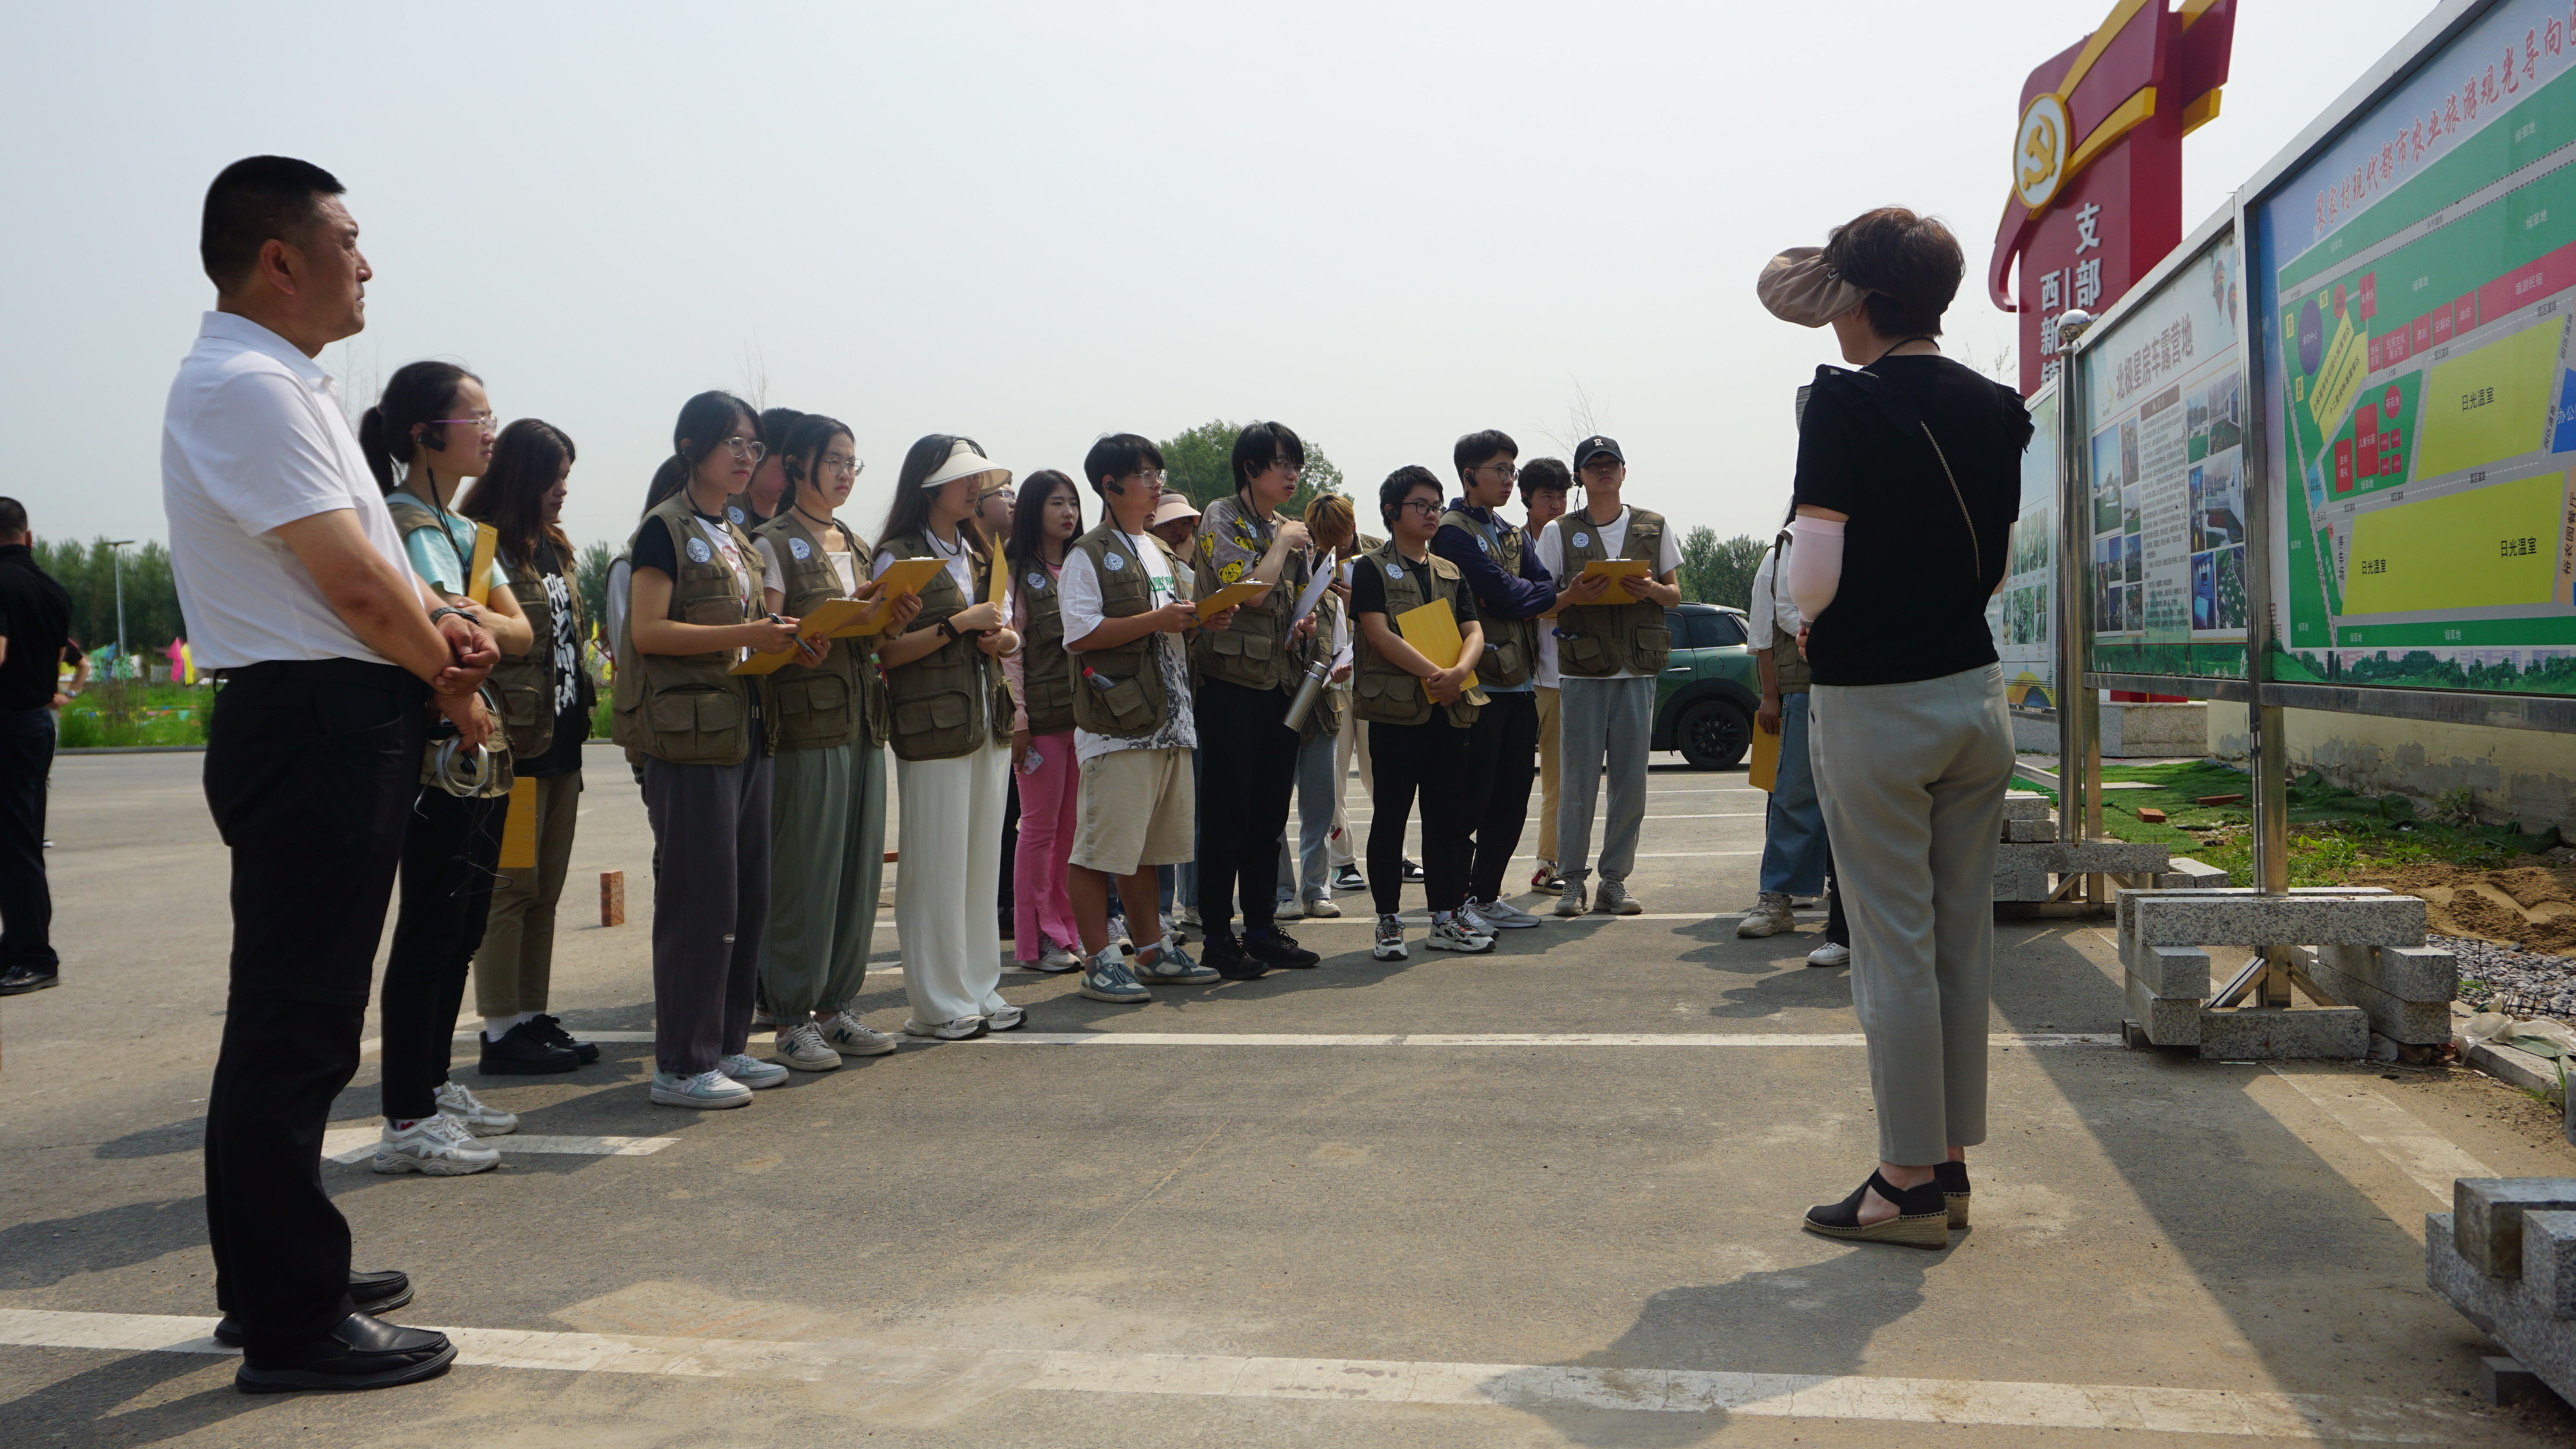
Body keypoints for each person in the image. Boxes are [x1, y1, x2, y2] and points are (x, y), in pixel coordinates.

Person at [166, 155, 494, 1391]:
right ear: (278, 260)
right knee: (296, 1025)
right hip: (314, 723)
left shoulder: (280, 384)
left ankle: (273, 1277)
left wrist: (441, 621)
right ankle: (291, 1320)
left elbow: (372, 572)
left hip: (330, 715)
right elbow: (350, 586)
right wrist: (451, 679)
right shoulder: (247, 386)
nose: (367, 265)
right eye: (347, 241)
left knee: (292, 1018)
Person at [1761, 207, 2025, 1247]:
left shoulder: (1845, 401)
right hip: (1975, 698)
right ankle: (1948, 1161)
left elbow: (1813, 576)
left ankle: (1904, 1180)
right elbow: (1996, 564)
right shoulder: (1998, 406)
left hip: (1875, 704)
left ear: (1865, 303)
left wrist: (1802, 610)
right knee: (1959, 939)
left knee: (1892, 948)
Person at [360, 361, 545, 1174]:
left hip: (483, 749)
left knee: (465, 925)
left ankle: (434, 1087)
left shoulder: (471, 533)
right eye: (478, 419)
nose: (490, 431)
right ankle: (408, 1115)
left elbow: (519, 634)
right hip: (436, 750)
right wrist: (474, 619)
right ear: (425, 433)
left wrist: (478, 620)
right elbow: (448, 632)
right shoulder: (398, 521)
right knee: (431, 929)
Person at [615, 389, 803, 1107]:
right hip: (689, 740)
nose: (746, 457)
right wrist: (748, 635)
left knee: (745, 897)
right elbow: (648, 631)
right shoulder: (664, 529)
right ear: (691, 447)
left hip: (745, 728)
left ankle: (726, 1045)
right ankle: (681, 1064)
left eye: (754, 445)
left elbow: (746, 635)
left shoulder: (735, 534)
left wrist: (787, 643)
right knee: (700, 902)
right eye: (734, 443)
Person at [751, 414, 915, 1067]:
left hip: (863, 723)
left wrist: (890, 618)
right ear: (798, 465)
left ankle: (837, 1008)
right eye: (835, 461)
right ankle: (791, 1017)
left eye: (853, 463)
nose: (846, 473)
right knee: (805, 875)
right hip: (806, 729)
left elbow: (871, 639)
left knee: (857, 873)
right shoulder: (772, 542)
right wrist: (799, 640)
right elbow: (764, 634)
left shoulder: (856, 542)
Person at [1061, 434, 1236, 1001]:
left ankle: (1153, 950)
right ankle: (1099, 960)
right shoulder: (1087, 554)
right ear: (1110, 485)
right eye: (1145, 474)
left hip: (1170, 720)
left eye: (1158, 474)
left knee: (1143, 852)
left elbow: (1173, 619)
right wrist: (1159, 621)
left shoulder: (1158, 549)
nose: (1157, 484)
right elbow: (1080, 634)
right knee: (1098, 851)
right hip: (1118, 726)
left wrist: (1204, 618)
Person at [456, 419, 604, 1070]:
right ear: (521, 474)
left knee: (545, 889)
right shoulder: (482, 545)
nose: (562, 489)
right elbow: (464, 629)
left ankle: (530, 1016)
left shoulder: (555, 546)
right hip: (512, 749)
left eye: (567, 477)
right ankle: (499, 1031)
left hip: (562, 741)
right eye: (553, 476)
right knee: (511, 889)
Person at [873, 435, 1024, 1039]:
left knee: (981, 863)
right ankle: (937, 1004)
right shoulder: (897, 556)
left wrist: (1002, 639)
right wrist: (957, 624)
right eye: (964, 478)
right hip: (931, 725)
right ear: (929, 485)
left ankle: (980, 987)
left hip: (986, 717)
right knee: (935, 865)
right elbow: (886, 650)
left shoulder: (982, 550)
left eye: (977, 479)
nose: (974, 488)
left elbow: (1007, 630)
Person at [1435, 431, 1606, 931]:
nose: (1510, 479)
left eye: (1512, 470)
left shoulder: (1510, 532)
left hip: (1520, 681)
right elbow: (1506, 592)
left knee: (1511, 800)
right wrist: (1518, 596)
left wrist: (1516, 596)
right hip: (1478, 684)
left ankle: (1486, 895)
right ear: (1469, 475)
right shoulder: (1452, 533)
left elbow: (1539, 585)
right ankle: (1453, 903)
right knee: (1471, 800)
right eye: (1500, 470)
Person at [1189, 421, 1326, 976]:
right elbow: (1248, 590)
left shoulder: (1283, 527)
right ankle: (1218, 937)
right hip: (1230, 685)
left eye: (1296, 464)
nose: (1292, 474)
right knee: (1227, 816)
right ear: (1250, 468)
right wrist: (1283, 543)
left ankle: (1263, 928)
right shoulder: (1221, 516)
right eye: (1281, 463)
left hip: (1280, 683)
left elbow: (1291, 600)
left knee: (1269, 816)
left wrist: (1305, 620)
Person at [1536, 436, 1682, 918]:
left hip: (1636, 670)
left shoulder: (1653, 525)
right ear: (1580, 477)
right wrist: (1574, 596)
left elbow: (1675, 595)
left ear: (1623, 471)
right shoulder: (1559, 531)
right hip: (1582, 671)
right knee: (1577, 783)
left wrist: (1651, 588)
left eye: (1610, 463)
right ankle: (1572, 882)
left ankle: (1614, 881)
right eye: (1593, 465)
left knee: (1630, 784)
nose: (1603, 470)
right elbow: (1541, 604)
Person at [1352, 467, 1491, 961]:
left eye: (1436, 505)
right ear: (1392, 512)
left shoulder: (1450, 571)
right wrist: (1438, 674)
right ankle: (1388, 921)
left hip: (1449, 712)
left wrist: (1460, 672)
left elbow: (1474, 630)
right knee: (1390, 818)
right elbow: (1378, 634)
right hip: (1397, 714)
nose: (1432, 514)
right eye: (1421, 505)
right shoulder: (1371, 568)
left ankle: (1445, 917)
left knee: (1447, 820)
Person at [1739, 509, 1847, 966]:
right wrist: (1770, 695)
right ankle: (1777, 897)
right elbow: (1777, 622)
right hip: (1805, 683)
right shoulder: (1784, 548)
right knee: (1796, 792)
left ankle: (1849, 905)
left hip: (1864, 681)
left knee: (1857, 797)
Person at [1004, 468, 1085, 973]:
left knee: (1071, 831)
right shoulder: (1015, 572)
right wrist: (1019, 719)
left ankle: (1068, 929)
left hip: (1083, 720)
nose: (1068, 512)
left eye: (1073, 502)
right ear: (1034, 509)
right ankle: (1035, 940)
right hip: (1040, 723)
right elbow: (1010, 655)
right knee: (1038, 830)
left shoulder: (1081, 565)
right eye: (1057, 502)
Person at [0, 497, 70, 995]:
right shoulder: (52, 589)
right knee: (22, 842)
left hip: (6, 723)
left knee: (13, 845)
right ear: (28, 536)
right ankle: (20, 946)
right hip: (36, 724)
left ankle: (33, 956)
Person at [1276, 493, 1355, 919]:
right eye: (1300, 552)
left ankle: (1316, 890)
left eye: (1312, 552)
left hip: (1322, 712)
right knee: (1273, 810)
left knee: (1320, 808)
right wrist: (1292, 636)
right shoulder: (1275, 597)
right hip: (1280, 713)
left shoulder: (1330, 601)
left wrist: (1341, 670)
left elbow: (1342, 647)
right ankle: (1281, 893)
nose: (1308, 558)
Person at [1145, 490, 1202, 925]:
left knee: (1186, 813)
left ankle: (1190, 905)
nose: (1180, 531)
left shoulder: (1195, 573)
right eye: (1170, 524)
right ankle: (1157, 912)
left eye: (1186, 523)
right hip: (1147, 705)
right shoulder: (1147, 568)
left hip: (1192, 703)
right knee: (1152, 818)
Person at [1518, 459, 1573, 894]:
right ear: (1527, 498)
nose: (1556, 505)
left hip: (1568, 674)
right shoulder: (1511, 544)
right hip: (1520, 676)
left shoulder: (1577, 540)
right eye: (1546, 497)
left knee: (1560, 781)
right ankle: (1477, 874)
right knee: (1505, 778)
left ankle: (1547, 864)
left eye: (1562, 496)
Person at [981, 475, 1021, 939]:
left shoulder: (1006, 559)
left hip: (1006, 706)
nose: (1012, 501)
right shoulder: (983, 558)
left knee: (1010, 815)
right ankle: (999, 903)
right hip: (993, 708)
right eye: (1003, 493)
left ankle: (1008, 903)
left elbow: (1013, 639)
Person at [725, 405, 802, 529]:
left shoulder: (798, 524)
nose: (792, 480)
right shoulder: (720, 509)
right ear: (760, 453)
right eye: (786, 469)